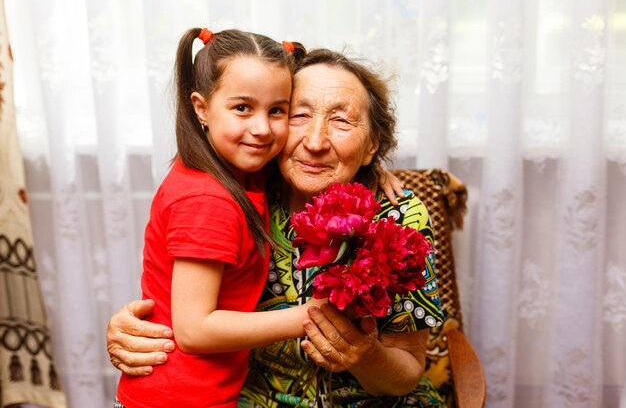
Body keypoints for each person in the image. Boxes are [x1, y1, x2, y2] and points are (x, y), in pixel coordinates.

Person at [108, 47, 447, 408]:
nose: (315, 143)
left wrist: (364, 357)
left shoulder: (399, 216)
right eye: (298, 115)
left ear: (372, 145)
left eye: (342, 122)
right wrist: (125, 326)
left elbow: (409, 370)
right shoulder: (240, 193)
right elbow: (183, 301)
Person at [115, 28, 327, 408]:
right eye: (242, 108)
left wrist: (374, 170)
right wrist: (310, 314)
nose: (262, 128)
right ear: (201, 108)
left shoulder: (239, 170)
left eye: (277, 110)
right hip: (179, 399)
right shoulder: (207, 198)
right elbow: (195, 330)